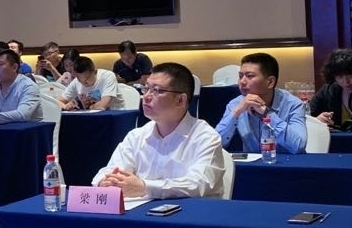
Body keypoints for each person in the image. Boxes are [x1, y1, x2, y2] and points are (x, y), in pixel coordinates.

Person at [91, 62, 224, 199]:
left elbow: (199, 184)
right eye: (146, 88)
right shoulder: (136, 136)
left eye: (157, 91)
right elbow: (110, 171)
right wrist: (106, 182)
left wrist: (145, 187)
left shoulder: (205, 136)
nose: (146, 97)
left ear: (180, 100)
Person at [217, 52, 308, 154]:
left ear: (270, 82)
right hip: (253, 163)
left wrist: (268, 114)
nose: (242, 82)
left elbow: (299, 146)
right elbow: (215, 145)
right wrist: (236, 113)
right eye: (240, 76)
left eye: (250, 76)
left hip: (287, 162)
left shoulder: (293, 104)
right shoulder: (236, 104)